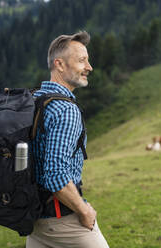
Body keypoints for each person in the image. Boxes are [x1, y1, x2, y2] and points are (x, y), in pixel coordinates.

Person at [26, 31, 109, 248]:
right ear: (60, 65)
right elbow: (55, 175)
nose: (89, 67)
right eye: (82, 60)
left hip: (34, 222)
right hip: (62, 219)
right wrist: (84, 210)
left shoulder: (34, 100)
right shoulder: (65, 110)